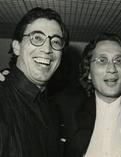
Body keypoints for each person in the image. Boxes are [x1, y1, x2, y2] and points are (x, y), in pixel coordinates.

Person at [53, 32, 121, 157]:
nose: (112, 69)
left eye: (118, 61)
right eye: (102, 60)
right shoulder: (65, 105)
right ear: (89, 72)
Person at [0, 7, 69, 157]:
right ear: (16, 47)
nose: (47, 49)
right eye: (37, 38)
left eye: (56, 41)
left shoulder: (54, 110)